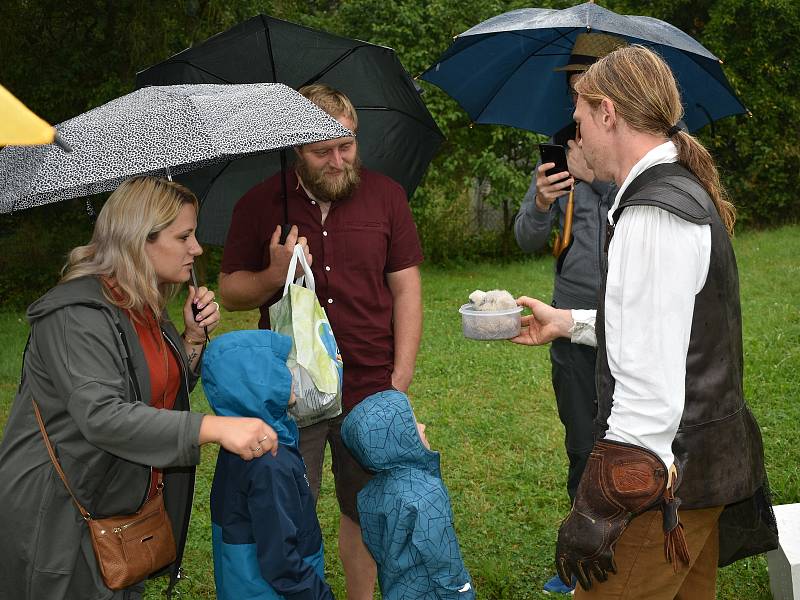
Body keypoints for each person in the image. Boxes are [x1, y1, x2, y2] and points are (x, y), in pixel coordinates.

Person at [512, 46, 777, 599]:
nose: (575, 135)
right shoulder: (670, 188)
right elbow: (661, 328)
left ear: (608, 112)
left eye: (581, 120)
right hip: (700, 475)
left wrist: (599, 507)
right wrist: (567, 324)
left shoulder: (653, 211)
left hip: (663, 486)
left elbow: (651, 396)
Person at [0, 176, 280, 600]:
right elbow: (104, 414)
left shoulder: (138, 305)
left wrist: (191, 339)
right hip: (58, 516)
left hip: (115, 508)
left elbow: (155, 393)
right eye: (184, 236)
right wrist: (214, 428)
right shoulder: (78, 314)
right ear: (139, 240)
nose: (197, 248)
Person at [219, 83, 423, 599]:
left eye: (346, 144)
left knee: (368, 508)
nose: (338, 159)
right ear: (294, 149)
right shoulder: (260, 203)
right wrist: (273, 272)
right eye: (322, 149)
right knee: (291, 511)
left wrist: (399, 380)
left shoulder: (386, 196)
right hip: (290, 391)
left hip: (370, 386)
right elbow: (231, 292)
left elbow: (406, 288)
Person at [513, 31, 624, 595]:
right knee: (583, 441)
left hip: (632, 320)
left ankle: (635, 551)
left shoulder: (639, 155)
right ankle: (582, 556)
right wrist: (539, 202)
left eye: (589, 81)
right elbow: (526, 237)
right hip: (568, 321)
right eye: (574, 84)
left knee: (634, 443)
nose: (578, 92)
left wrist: (605, 178)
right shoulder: (559, 146)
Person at [202, 329, 333, 600]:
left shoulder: (242, 446)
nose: (292, 375)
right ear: (255, 384)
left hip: (242, 583)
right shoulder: (270, 463)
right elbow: (281, 561)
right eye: (281, 368)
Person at [341, 390, 475, 600]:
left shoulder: (369, 493)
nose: (422, 427)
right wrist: (461, 591)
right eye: (413, 425)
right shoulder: (426, 494)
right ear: (397, 441)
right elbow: (444, 559)